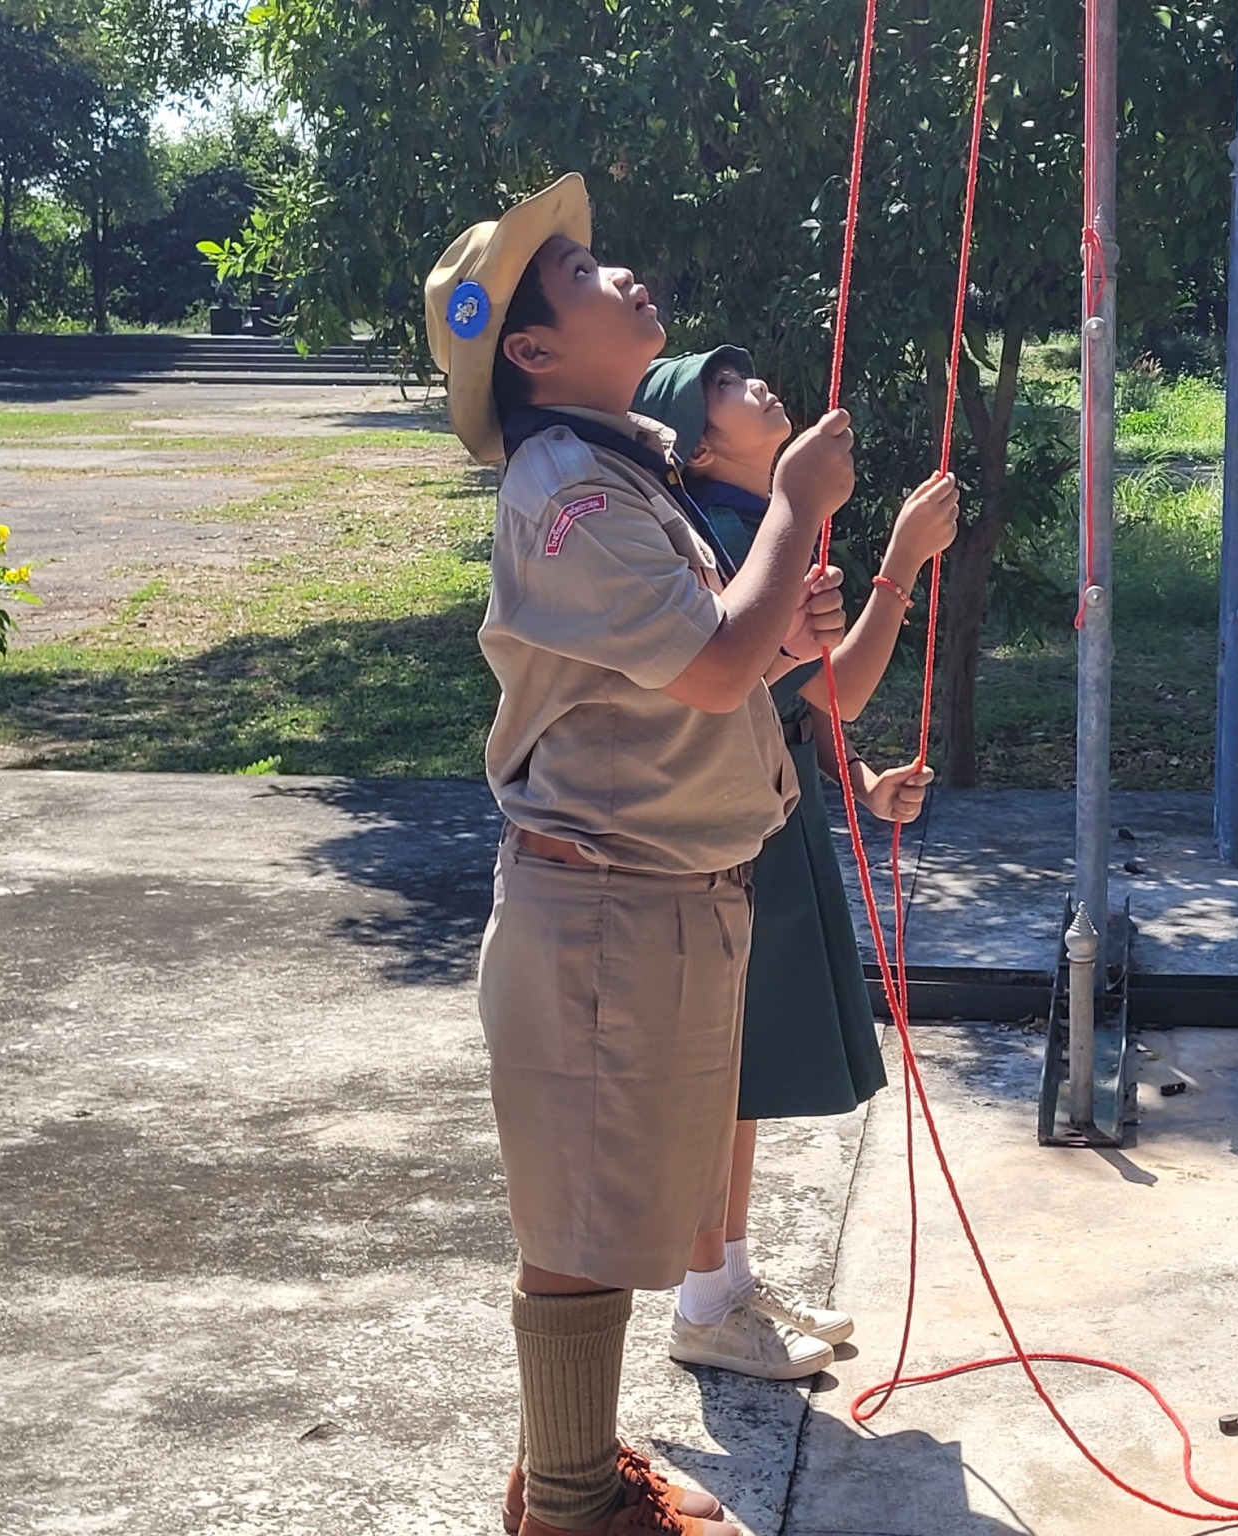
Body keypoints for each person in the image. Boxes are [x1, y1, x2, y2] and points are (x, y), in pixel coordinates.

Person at [424, 176, 855, 1536]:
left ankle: (573, 1475)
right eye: (582, 277)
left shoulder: (615, 469)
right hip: (610, 909)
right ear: (533, 351)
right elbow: (715, 667)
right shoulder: (567, 492)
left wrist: (775, 626)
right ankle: (571, 1508)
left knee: (608, 1208)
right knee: (583, 1229)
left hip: (649, 898)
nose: (620, 277)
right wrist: (792, 508)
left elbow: (688, 672)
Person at [633, 347, 958, 1379]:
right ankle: (703, 1300)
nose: (756, 383)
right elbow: (834, 685)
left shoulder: (754, 528)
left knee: (744, 1072)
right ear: (698, 443)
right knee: (719, 1073)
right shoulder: (724, 539)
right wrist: (901, 563)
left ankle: (726, 1284)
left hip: (767, 820)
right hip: (730, 836)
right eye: (724, 385)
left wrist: (858, 784)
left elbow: (804, 706)